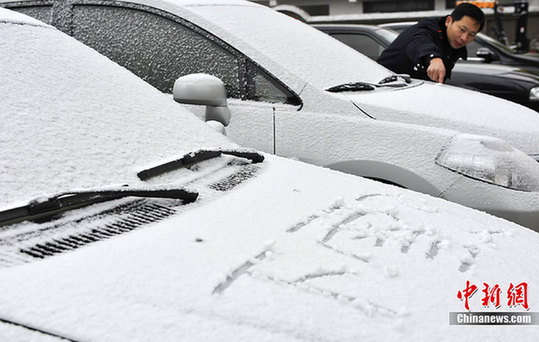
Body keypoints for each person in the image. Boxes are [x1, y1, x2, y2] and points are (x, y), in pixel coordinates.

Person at [377, 3, 485, 83]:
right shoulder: (426, 28)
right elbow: (419, 41)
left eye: (471, 34)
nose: (464, 38)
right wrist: (433, 59)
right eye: (462, 29)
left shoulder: (453, 44)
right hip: (382, 87)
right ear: (448, 21)